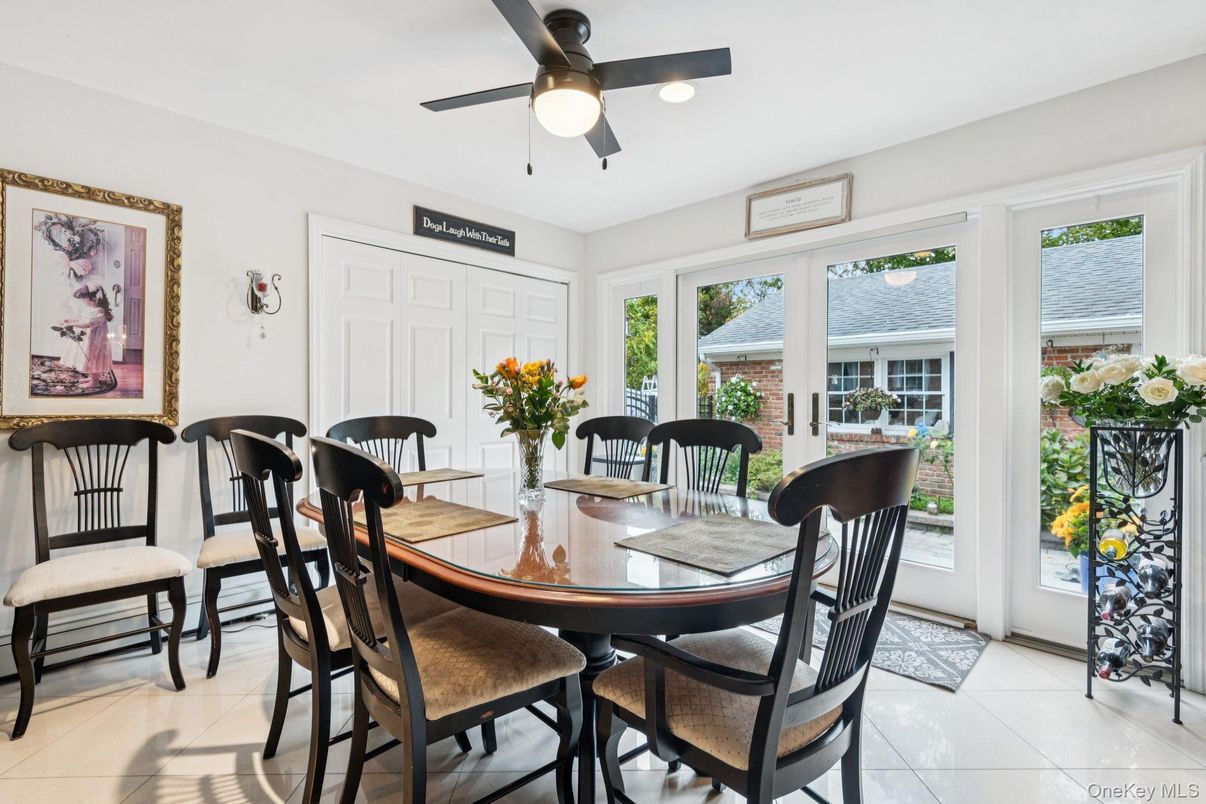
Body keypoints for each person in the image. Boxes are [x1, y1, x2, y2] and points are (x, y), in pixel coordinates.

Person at [66, 283, 115, 389]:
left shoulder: (99, 311)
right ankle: (93, 377)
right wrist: (71, 320)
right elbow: (83, 320)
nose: (83, 301)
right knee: (90, 357)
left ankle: (94, 382)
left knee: (93, 358)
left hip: (96, 340)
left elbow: (87, 324)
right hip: (92, 339)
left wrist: (71, 324)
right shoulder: (94, 309)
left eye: (84, 299)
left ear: (94, 298)